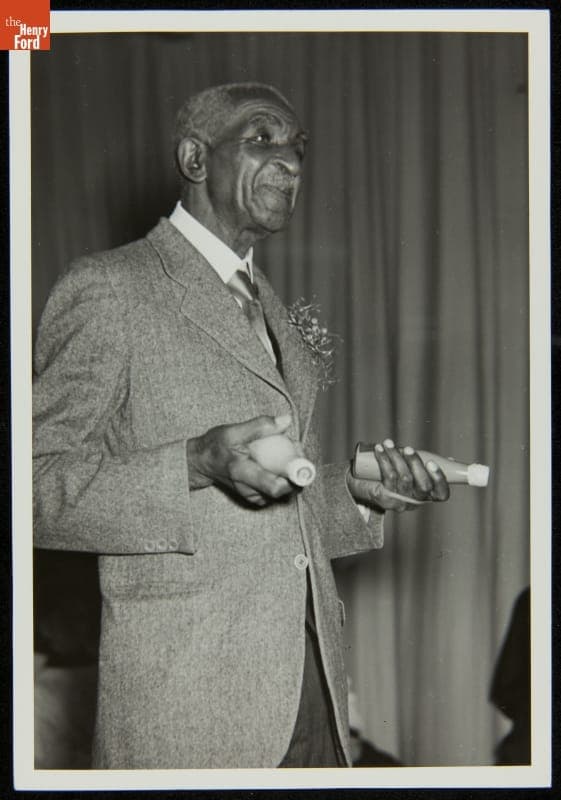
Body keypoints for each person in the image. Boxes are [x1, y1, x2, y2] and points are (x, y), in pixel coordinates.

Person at [33, 82, 450, 769]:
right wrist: (192, 462)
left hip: (311, 687)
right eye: (262, 139)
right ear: (194, 158)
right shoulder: (111, 287)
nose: (290, 160)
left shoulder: (274, 311)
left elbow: (278, 509)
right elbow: (32, 486)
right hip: (189, 703)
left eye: (298, 146)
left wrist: (358, 494)